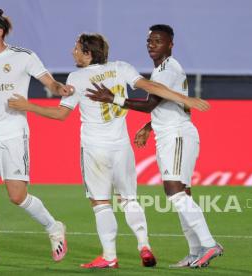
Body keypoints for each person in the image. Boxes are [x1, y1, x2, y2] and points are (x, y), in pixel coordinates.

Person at [8, 33, 209, 269]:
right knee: (129, 200)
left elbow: (60, 114)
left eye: (76, 48)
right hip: (122, 147)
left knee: (101, 203)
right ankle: (144, 245)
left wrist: (26, 106)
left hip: (95, 149)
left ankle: (109, 256)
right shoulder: (120, 68)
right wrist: (185, 98)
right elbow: (152, 86)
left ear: (88, 54)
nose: (72, 51)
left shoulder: (77, 77)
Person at [86, 24, 223, 269]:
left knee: (175, 192)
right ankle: (195, 251)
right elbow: (165, 106)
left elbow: (150, 103)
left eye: (158, 41)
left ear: (170, 44)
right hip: (168, 134)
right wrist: (149, 127)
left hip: (177, 136)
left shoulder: (168, 69)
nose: (152, 45)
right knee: (181, 193)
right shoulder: (160, 69)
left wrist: (113, 98)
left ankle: (209, 243)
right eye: (149, 41)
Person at [0, 9, 72, 265]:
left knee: (17, 196)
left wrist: (59, 88)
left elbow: (49, 83)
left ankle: (54, 227)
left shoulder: (23, 57)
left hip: (13, 134)